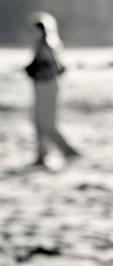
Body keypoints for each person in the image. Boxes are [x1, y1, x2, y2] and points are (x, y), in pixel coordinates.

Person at [24, 12, 79, 167]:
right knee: (39, 122)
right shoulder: (41, 46)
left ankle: (68, 151)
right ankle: (42, 155)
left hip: (47, 87)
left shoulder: (47, 46)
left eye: (35, 29)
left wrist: (35, 70)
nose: (32, 33)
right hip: (42, 86)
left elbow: (57, 68)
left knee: (47, 124)